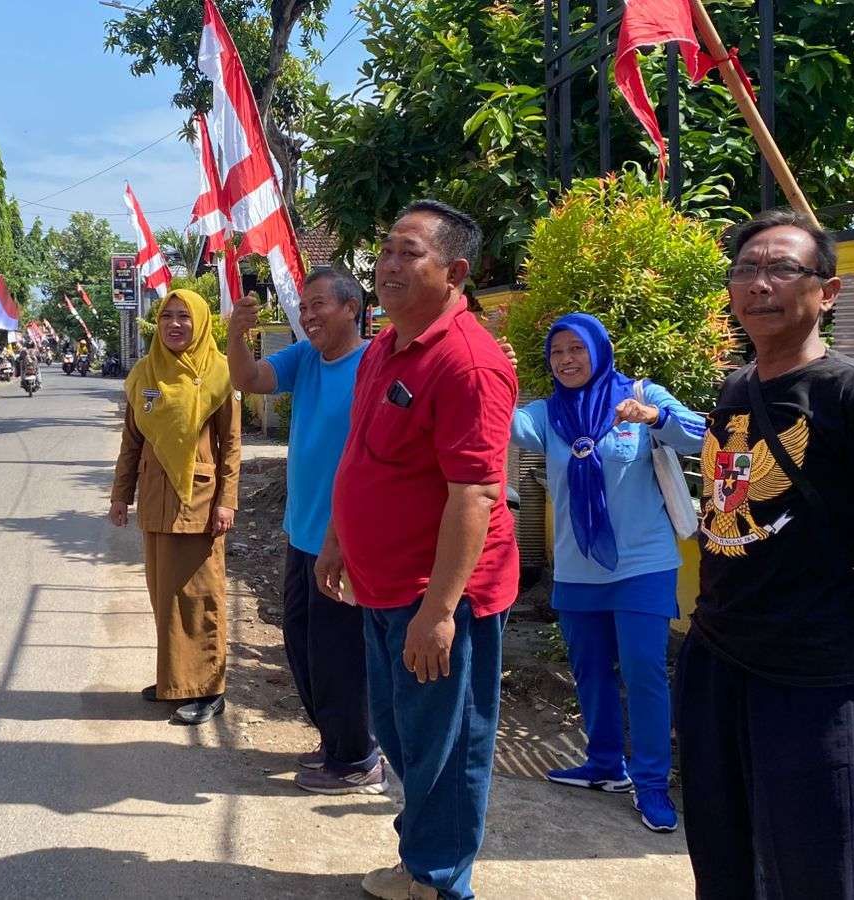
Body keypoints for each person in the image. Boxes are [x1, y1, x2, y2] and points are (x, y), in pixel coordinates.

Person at [679, 210, 854, 897]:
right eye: (746, 269)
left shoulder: (850, 393)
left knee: (817, 866)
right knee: (724, 855)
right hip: (716, 655)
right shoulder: (737, 387)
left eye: (782, 270)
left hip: (810, 673)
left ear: (827, 293)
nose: (758, 284)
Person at [317, 200, 519, 900]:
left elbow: (475, 496)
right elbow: (363, 451)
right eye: (387, 250)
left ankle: (438, 881)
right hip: (380, 585)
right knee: (402, 737)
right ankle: (423, 861)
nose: (389, 264)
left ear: (455, 271)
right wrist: (337, 536)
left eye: (409, 253)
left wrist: (439, 611)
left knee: (446, 748)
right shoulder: (384, 347)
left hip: (438, 597)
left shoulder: (469, 364)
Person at [508, 313, 706, 834]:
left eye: (577, 349)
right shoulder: (545, 415)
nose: (568, 360)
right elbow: (494, 422)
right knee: (590, 670)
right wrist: (496, 376)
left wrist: (652, 418)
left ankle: (651, 785)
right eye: (558, 353)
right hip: (577, 568)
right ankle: (603, 765)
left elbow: (702, 436)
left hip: (644, 562)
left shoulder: (641, 395)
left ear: (599, 350)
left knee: (643, 671)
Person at [227, 271, 382, 796]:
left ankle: (357, 757)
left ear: (352, 309)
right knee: (301, 644)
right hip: (301, 532)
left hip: (350, 537)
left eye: (318, 306)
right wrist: (236, 334)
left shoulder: (376, 364)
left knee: (340, 653)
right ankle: (336, 739)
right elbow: (247, 380)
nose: (308, 316)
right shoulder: (305, 358)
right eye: (305, 307)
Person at [109, 289, 241, 726]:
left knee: (201, 596)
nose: (175, 324)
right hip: (155, 502)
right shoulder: (144, 374)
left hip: (200, 504)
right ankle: (176, 682)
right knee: (165, 597)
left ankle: (209, 689)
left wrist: (227, 502)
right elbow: (131, 442)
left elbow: (231, 447)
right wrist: (119, 495)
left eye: (185, 316)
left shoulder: (219, 373)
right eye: (168, 316)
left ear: (200, 322)